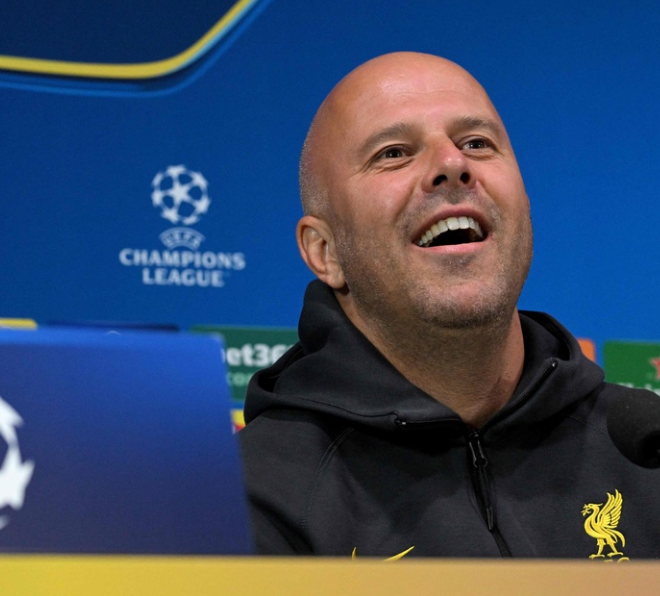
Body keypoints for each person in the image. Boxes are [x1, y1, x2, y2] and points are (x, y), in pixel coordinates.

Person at [239, 52, 660, 558]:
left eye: (476, 143)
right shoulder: (251, 497)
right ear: (325, 253)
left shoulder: (646, 450)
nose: (453, 165)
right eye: (394, 153)